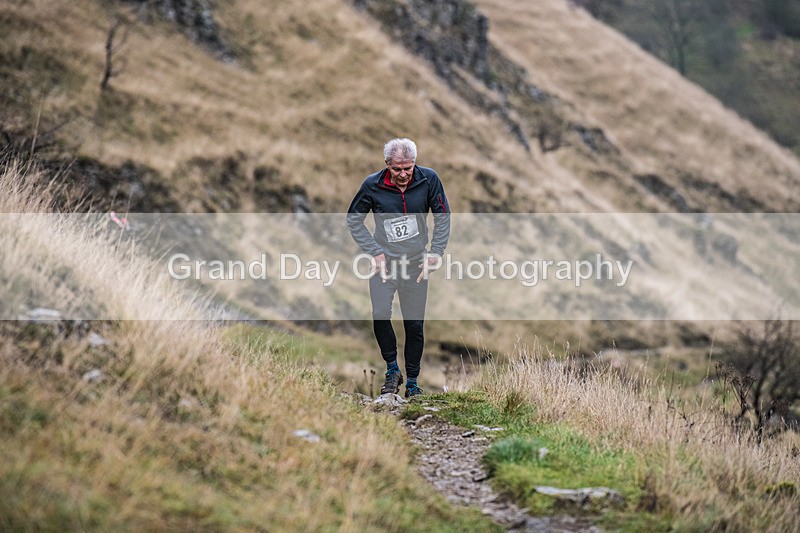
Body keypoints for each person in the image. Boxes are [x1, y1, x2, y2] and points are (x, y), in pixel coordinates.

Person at [347, 138, 450, 398]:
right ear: (387, 166)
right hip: (385, 264)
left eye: (408, 168)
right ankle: (392, 370)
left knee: (414, 324)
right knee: (380, 312)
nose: (404, 174)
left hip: (416, 264)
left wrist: (436, 253)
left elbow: (442, 216)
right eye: (397, 169)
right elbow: (354, 219)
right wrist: (375, 252)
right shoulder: (372, 185)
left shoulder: (429, 179)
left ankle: (413, 383)